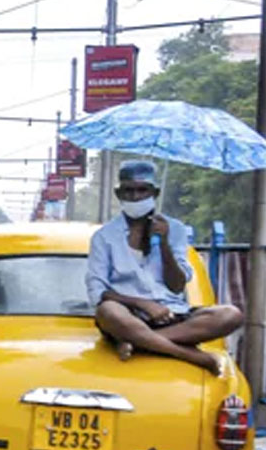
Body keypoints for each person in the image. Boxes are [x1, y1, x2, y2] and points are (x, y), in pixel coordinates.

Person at [86, 160, 242, 375]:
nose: (134, 196)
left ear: (155, 193)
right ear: (118, 194)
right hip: (128, 318)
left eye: (142, 190)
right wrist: (144, 304)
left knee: (230, 314)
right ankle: (187, 354)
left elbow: (177, 285)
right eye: (128, 190)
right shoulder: (104, 237)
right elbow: (98, 292)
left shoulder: (175, 229)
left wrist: (165, 242)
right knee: (107, 310)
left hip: (173, 317)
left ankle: (140, 344)